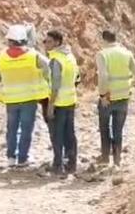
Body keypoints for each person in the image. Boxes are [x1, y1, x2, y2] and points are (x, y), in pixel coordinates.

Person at [0, 24, 51, 168]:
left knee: (11, 128)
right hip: (29, 98)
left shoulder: (1, 57)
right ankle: (23, 158)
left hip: (11, 99)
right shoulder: (34, 56)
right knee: (26, 129)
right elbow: (48, 69)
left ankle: (10, 158)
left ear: (9, 40)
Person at [96, 30, 135, 167]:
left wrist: (103, 95)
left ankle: (105, 158)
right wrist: (130, 85)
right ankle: (117, 160)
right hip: (123, 96)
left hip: (108, 98)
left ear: (104, 39)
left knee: (104, 128)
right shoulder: (126, 53)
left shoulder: (102, 54)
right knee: (118, 130)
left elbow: (103, 76)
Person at [41, 30, 80, 176]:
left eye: (48, 41)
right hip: (70, 99)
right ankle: (72, 163)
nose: (45, 44)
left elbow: (55, 84)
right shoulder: (70, 56)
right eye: (45, 41)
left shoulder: (56, 59)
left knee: (57, 134)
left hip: (59, 102)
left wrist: (51, 105)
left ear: (57, 43)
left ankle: (58, 165)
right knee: (69, 133)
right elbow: (77, 78)